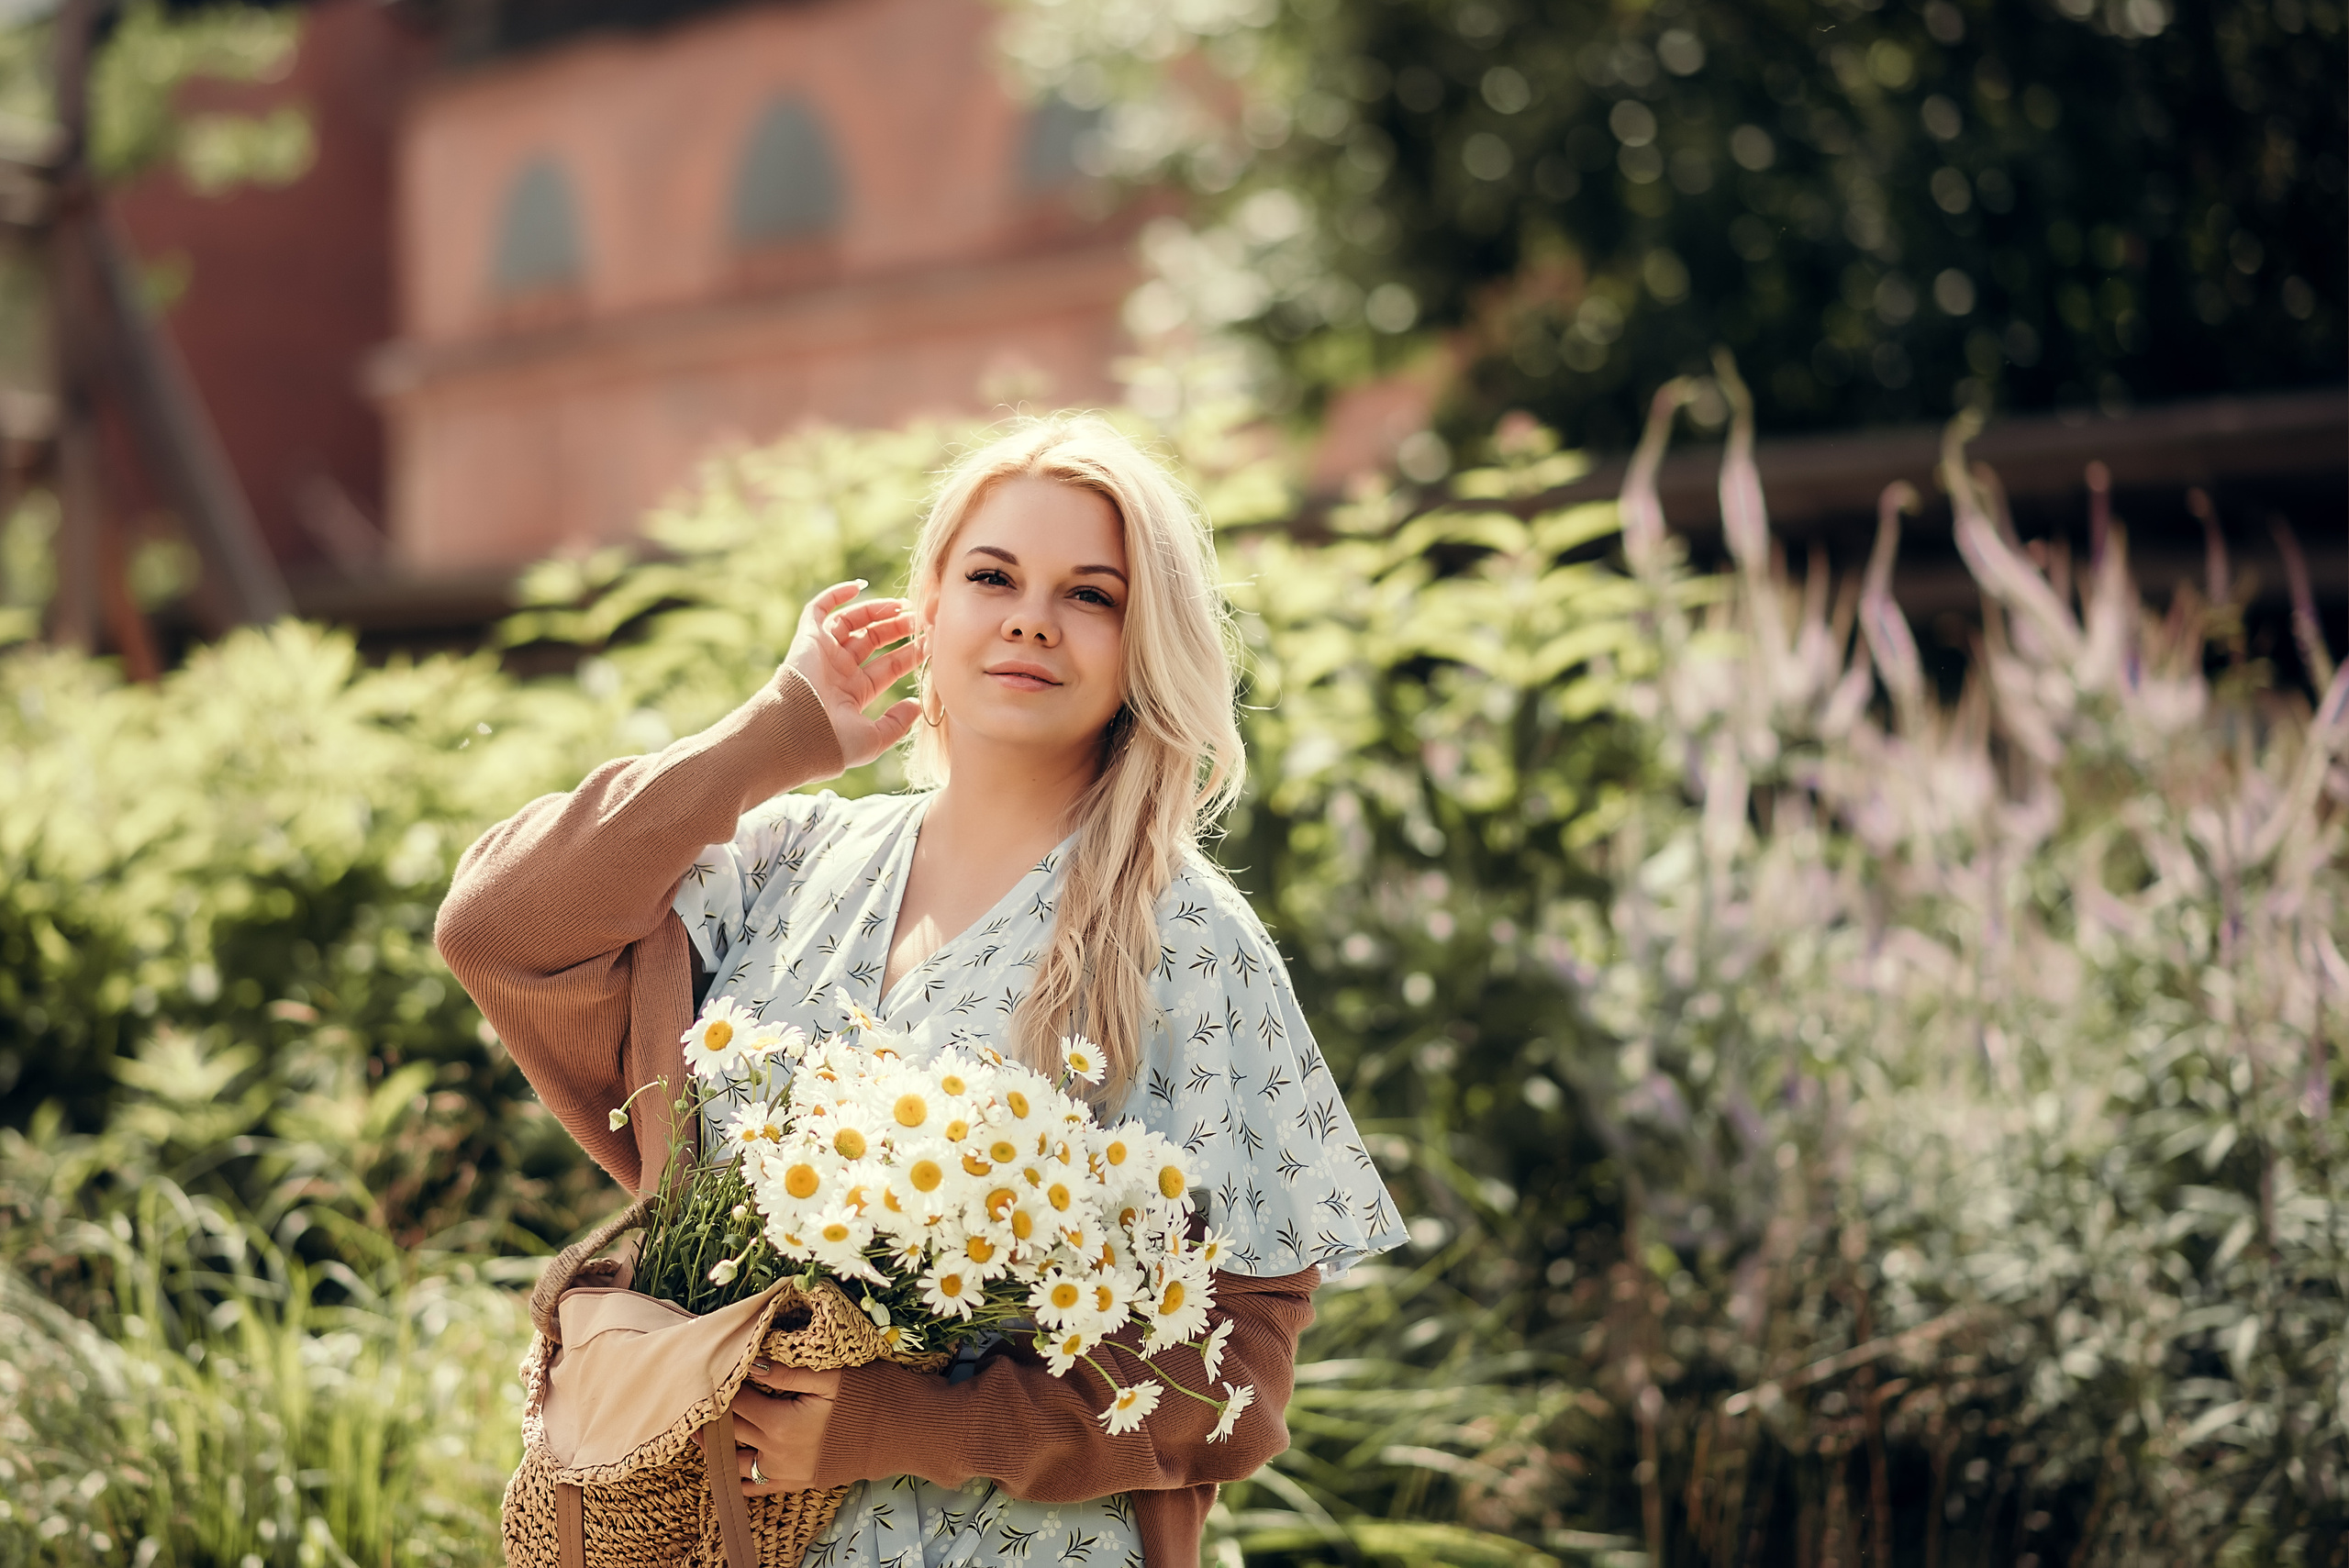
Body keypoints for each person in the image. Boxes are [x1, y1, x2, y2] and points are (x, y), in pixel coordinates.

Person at [437, 415, 1405, 1568]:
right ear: (928, 608)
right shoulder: (787, 861)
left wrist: (904, 1422)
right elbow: (495, 927)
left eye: (1090, 594)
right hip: (714, 1537)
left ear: (1146, 640)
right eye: (992, 575)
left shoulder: (1183, 938)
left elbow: (1238, 1379)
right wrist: (772, 734)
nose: (1031, 617)